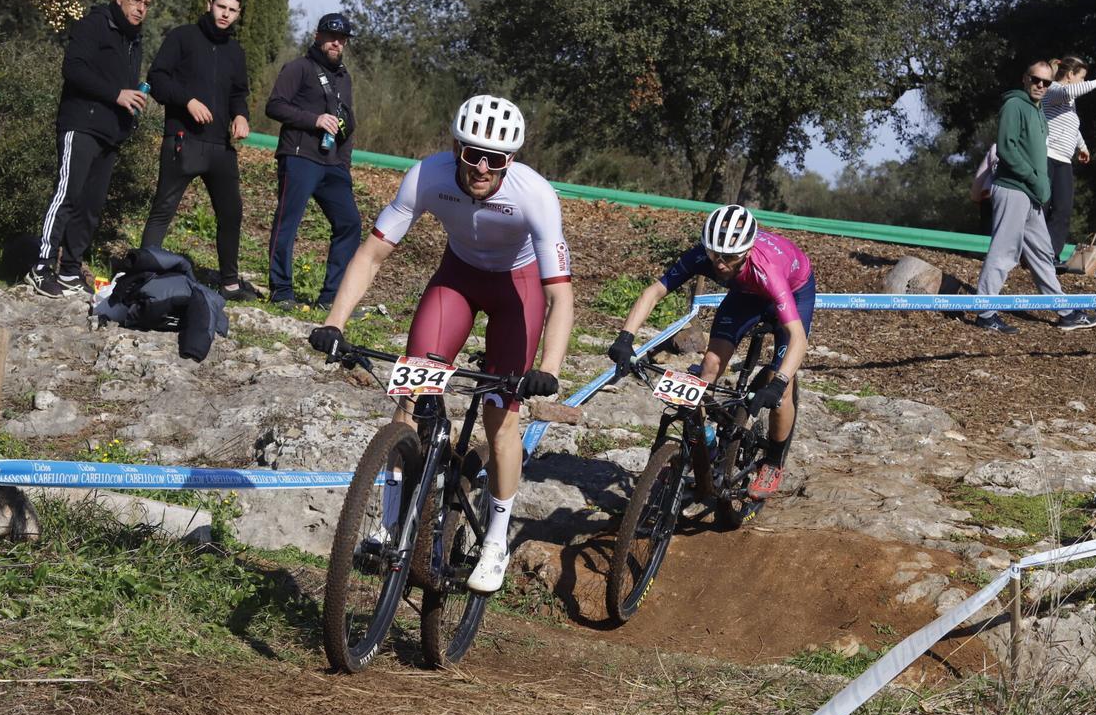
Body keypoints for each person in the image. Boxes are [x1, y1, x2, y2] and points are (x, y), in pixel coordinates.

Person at [308, 95, 574, 594]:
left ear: (510, 160)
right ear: (455, 147)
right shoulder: (426, 176)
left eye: (495, 159)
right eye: (471, 154)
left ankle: (495, 539)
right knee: (408, 396)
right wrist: (335, 322)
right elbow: (372, 254)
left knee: (502, 420)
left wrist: (549, 367)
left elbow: (559, 295)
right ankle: (390, 524)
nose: (481, 167)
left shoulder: (535, 195)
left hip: (517, 291)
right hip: (457, 279)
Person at [607, 204, 814, 505]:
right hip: (745, 294)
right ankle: (706, 447)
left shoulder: (767, 270)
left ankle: (772, 462)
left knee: (781, 389)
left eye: (729, 258)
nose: (720, 265)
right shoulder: (705, 256)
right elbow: (655, 292)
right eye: (715, 255)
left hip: (792, 291)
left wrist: (779, 382)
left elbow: (797, 338)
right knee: (708, 367)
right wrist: (625, 338)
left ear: (746, 251)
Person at [26, 0, 152, 298]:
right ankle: (41, 267)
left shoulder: (134, 40)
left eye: (147, 4)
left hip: (111, 133)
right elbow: (73, 69)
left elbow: (124, 88)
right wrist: (116, 94)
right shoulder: (95, 24)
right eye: (136, 0)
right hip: (81, 125)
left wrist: (130, 106)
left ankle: (70, 267)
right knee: (66, 195)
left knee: (91, 206)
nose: (141, 8)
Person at [138, 0, 257, 301]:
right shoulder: (182, 37)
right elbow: (158, 79)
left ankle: (229, 283)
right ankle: (143, 275)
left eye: (232, 10)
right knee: (163, 209)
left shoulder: (236, 51)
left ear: (238, 14)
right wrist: (187, 100)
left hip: (221, 147)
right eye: (221, 7)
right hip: (183, 140)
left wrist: (241, 115)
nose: (225, 14)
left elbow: (238, 94)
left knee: (231, 214)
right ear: (209, 4)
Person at [973, 59, 1096, 333]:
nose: (1040, 85)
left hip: (1031, 195)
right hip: (1012, 189)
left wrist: (1041, 184)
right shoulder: (1015, 105)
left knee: (1042, 253)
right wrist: (1034, 178)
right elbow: (1007, 149)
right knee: (1004, 252)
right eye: (1036, 80)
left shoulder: (1039, 110)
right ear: (1024, 79)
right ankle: (984, 313)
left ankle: (1066, 312)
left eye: (1045, 82)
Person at [264, 13, 361, 310]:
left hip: (334, 165)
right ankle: (281, 291)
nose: (336, 42)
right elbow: (274, 106)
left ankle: (331, 297)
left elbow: (346, 124)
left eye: (342, 38)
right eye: (331, 36)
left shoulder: (345, 78)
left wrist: (344, 165)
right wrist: (314, 119)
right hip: (299, 156)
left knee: (350, 223)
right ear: (317, 36)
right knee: (288, 222)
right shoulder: (299, 68)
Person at [1042, 56, 1096, 265]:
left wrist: (1082, 146)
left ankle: (1051, 255)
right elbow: (1068, 91)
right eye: (1082, 78)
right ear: (1071, 75)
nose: (1083, 82)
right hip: (1046, 155)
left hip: (1064, 160)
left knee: (1063, 209)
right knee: (1042, 207)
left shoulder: (1069, 102)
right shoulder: (1054, 90)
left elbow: (1072, 124)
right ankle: (1030, 252)